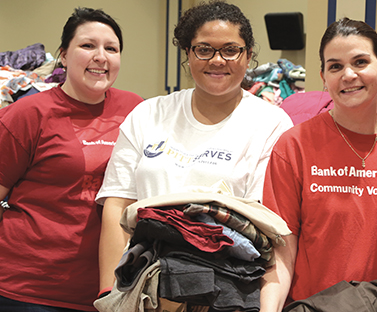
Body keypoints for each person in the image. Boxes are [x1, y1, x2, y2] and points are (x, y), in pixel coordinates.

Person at [95, 0, 293, 299]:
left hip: (226, 289)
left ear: (248, 55)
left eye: (230, 49)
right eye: (204, 49)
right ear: (188, 52)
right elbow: (117, 207)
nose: (217, 60)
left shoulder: (271, 124)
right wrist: (111, 292)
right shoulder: (148, 114)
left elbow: (271, 228)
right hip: (143, 284)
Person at [260, 17, 377, 311]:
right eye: (335, 66)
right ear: (323, 77)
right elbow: (281, 253)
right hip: (310, 305)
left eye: (360, 62)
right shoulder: (293, 145)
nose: (348, 75)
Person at [0, 7, 143, 312]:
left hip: (110, 290)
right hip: (28, 291)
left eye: (111, 48)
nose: (101, 56)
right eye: (87, 45)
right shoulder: (28, 114)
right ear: (63, 56)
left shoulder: (136, 109)